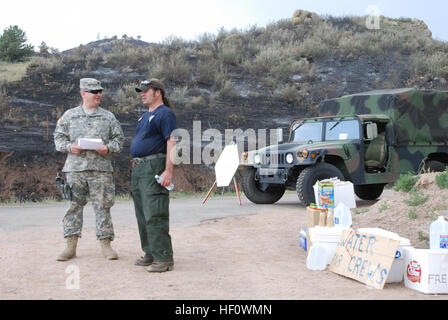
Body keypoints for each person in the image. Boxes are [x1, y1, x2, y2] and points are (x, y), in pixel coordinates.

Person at [54, 78, 125, 261]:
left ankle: (106, 245)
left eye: (100, 91)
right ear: (83, 93)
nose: (98, 94)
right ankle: (70, 246)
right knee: (73, 207)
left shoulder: (108, 116)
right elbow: (59, 139)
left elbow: (119, 139)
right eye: (94, 92)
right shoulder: (69, 115)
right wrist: (70, 147)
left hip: (100, 170)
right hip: (75, 170)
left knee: (103, 207)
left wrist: (108, 148)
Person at [130, 78, 177, 272]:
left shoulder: (165, 113)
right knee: (142, 213)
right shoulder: (144, 116)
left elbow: (171, 142)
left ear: (157, 92)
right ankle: (150, 252)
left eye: (145, 90)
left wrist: (168, 171)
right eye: (140, 91)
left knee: (155, 212)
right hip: (140, 168)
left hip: (154, 165)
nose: (142, 94)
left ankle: (163, 257)